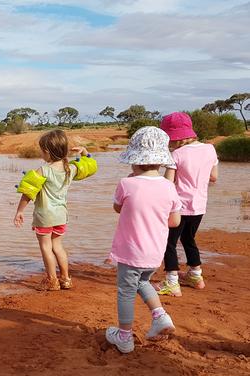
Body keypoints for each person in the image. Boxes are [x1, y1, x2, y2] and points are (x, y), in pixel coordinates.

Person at [106, 127, 182, 354]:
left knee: (126, 291)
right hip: (154, 253)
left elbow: (117, 208)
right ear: (160, 162)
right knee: (143, 282)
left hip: (131, 252)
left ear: (134, 161)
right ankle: (161, 316)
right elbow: (175, 221)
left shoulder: (127, 184)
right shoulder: (169, 186)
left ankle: (124, 336)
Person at [13, 129, 90, 291]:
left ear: (47, 152)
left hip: (45, 217)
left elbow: (28, 192)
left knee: (46, 248)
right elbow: (89, 166)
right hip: (61, 216)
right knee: (58, 247)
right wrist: (85, 152)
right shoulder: (71, 169)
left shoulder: (43, 170)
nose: (41, 154)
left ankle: (52, 280)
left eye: (42, 150)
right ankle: (66, 279)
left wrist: (19, 211)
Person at [156, 112, 219, 296]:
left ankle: (171, 282)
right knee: (189, 239)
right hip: (199, 205)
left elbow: (168, 184)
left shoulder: (176, 154)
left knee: (169, 242)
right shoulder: (210, 149)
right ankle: (195, 275)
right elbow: (214, 177)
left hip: (178, 207)